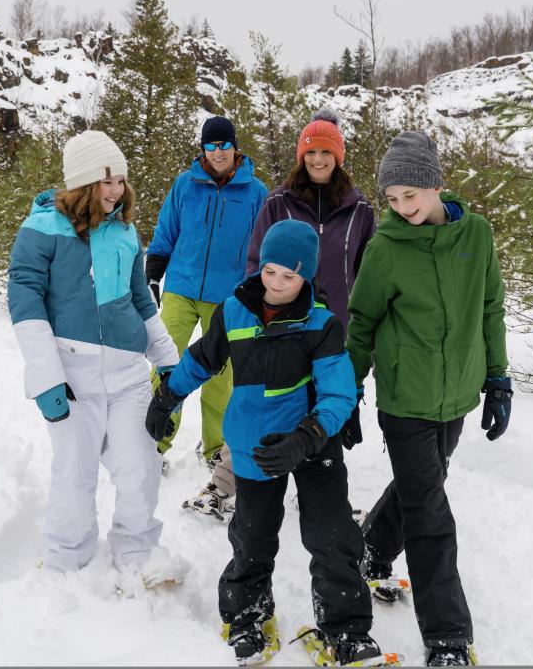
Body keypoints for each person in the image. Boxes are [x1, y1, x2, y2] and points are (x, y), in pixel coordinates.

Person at [146, 220, 385, 668]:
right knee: (253, 536)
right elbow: (202, 359)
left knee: (332, 534)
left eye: (290, 276)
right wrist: (168, 395)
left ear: (307, 277)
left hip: (314, 441)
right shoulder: (234, 311)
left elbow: (337, 393)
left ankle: (346, 630)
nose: (277, 283)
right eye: (271, 271)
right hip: (254, 440)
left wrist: (308, 436)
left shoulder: (322, 324)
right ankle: (246, 616)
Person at [345, 131, 513, 667]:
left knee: (426, 482)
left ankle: (370, 546)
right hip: (404, 396)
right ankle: (447, 635)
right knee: (430, 512)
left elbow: (490, 308)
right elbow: (363, 324)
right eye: (391, 199)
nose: (400, 207)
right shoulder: (385, 248)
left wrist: (498, 378)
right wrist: (346, 392)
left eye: (409, 196)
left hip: (457, 392)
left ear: (436, 184)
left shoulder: (477, 236)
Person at [7, 129, 180, 584]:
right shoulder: (41, 230)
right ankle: (67, 556)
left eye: (121, 181)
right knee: (74, 473)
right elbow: (25, 302)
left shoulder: (125, 231)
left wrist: (167, 359)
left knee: (140, 466)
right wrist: (44, 377)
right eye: (106, 182)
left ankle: (138, 550)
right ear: (83, 182)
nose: (116, 191)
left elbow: (142, 298)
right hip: (72, 375)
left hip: (127, 373)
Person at [144, 115, 268, 521]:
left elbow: (259, 244)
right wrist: (154, 271)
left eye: (224, 145)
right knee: (167, 361)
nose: (217, 152)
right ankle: (156, 440)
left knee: (220, 375)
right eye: (210, 146)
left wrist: (254, 289)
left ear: (235, 146)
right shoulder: (185, 184)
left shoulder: (255, 191)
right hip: (181, 287)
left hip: (228, 297)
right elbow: (167, 229)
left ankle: (216, 446)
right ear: (203, 149)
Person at [245, 107, 376, 452]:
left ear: (338, 155)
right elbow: (257, 263)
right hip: (284, 325)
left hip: (335, 329)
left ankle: (321, 490)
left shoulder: (360, 210)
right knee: (268, 405)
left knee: (327, 411)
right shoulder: (278, 202)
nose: (318, 160)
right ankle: (238, 481)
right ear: (301, 155)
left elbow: (367, 276)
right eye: (311, 152)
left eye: (326, 152)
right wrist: (259, 317)